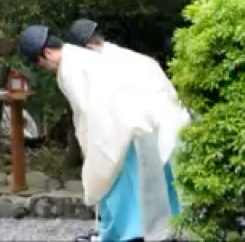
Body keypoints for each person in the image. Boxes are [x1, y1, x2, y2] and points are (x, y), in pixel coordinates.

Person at [19, 25, 179, 242]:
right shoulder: (83, 58)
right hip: (137, 124)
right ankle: (135, 231)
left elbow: (89, 110)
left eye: (40, 64)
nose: (45, 68)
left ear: (47, 54)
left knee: (117, 184)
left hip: (120, 130)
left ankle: (124, 234)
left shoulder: (71, 67)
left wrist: (93, 147)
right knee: (135, 186)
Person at [65, 19, 188, 242]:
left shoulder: (103, 65)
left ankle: (125, 233)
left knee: (124, 190)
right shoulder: (132, 59)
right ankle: (164, 230)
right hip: (161, 127)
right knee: (160, 188)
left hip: (131, 134)